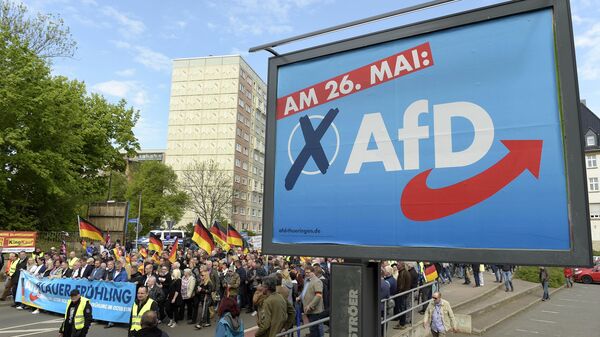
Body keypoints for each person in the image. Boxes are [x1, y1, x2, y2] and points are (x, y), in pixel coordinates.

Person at [300, 265, 323, 337]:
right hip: (308, 309)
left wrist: (310, 306)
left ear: (313, 272)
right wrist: (299, 297)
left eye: (308, 272)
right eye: (305, 272)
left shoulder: (317, 281)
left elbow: (318, 296)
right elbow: (305, 291)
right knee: (312, 328)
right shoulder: (306, 280)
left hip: (314, 310)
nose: (306, 274)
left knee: (314, 329)